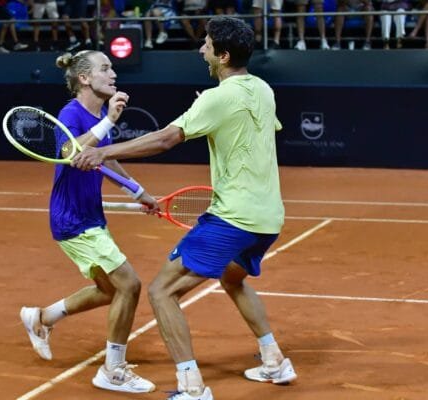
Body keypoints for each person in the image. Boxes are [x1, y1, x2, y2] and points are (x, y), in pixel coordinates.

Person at [72, 16, 297, 400]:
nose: (201, 49)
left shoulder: (217, 97)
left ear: (223, 55)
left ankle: (191, 387)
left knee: (162, 292)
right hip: (268, 217)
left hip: (234, 218)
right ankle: (274, 359)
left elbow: (166, 139)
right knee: (232, 277)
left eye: (207, 45)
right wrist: (209, 111)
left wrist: (102, 152)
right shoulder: (262, 88)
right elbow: (241, 125)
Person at [19, 50, 158, 394]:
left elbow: (103, 159)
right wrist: (109, 121)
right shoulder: (72, 113)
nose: (113, 74)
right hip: (72, 220)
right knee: (129, 285)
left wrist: (138, 191)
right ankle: (113, 369)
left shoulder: (97, 116)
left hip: (90, 215)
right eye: (105, 69)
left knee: (109, 290)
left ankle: (42, 317)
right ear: (84, 78)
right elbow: (70, 154)